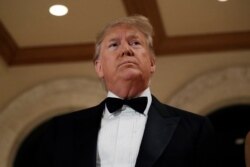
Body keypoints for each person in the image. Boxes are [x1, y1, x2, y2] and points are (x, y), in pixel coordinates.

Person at [33, 15, 217, 167]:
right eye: (114, 45)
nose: (126, 50)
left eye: (135, 43)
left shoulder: (195, 129)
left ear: (152, 63)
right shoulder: (61, 130)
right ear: (99, 67)